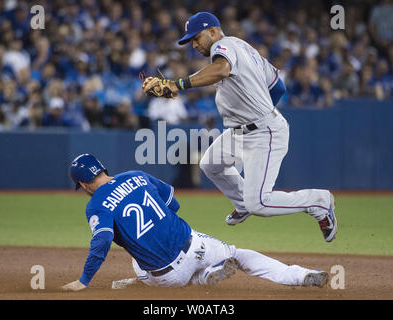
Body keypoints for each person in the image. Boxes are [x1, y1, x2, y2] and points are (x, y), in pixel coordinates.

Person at [141, 12, 337, 242]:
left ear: (213, 31)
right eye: (190, 41)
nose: (194, 44)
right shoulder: (245, 49)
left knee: (260, 204)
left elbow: (221, 70)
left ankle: (319, 201)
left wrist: (177, 84)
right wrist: (259, 106)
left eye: (196, 38)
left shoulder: (222, 45)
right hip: (239, 130)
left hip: (264, 132)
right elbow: (278, 87)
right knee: (210, 164)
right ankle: (241, 203)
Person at [61, 153, 329, 291]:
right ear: (103, 169)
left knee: (137, 260)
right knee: (238, 254)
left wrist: (84, 280)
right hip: (194, 246)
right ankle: (300, 274)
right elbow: (172, 204)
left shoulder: (95, 204)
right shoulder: (136, 174)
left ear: (83, 184)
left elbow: (103, 240)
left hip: (166, 277)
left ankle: (201, 280)